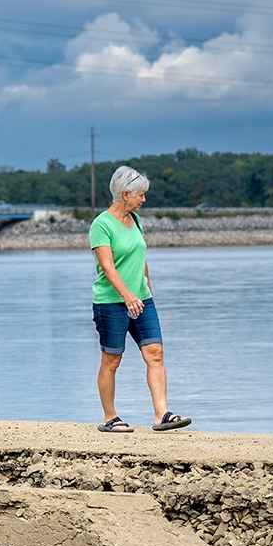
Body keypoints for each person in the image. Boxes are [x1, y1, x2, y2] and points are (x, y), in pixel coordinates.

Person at [90, 165, 189, 432]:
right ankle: (109, 418)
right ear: (125, 194)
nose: (143, 200)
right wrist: (127, 295)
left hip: (142, 300)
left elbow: (141, 259)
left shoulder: (136, 221)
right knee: (112, 360)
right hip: (111, 302)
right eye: (140, 195)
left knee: (155, 353)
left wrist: (147, 290)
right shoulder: (101, 224)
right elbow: (107, 267)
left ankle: (162, 414)